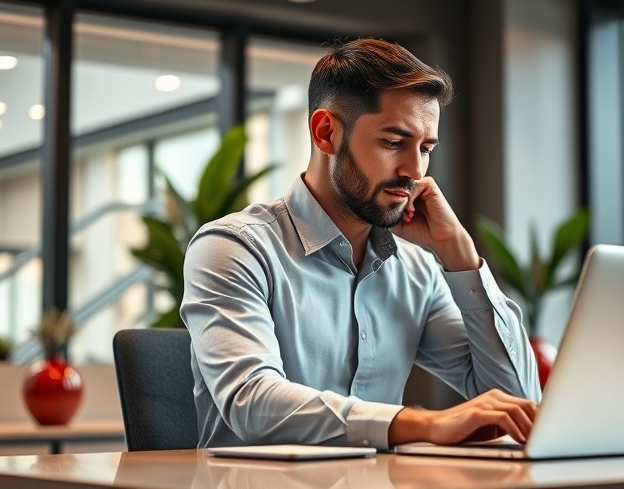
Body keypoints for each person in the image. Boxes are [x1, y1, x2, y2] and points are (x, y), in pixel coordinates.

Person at [181, 37, 540, 450]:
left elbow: (519, 404)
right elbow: (252, 402)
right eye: (393, 143)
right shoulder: (233, 249)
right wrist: (421, 424)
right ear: (325, 132)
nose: (414, 170)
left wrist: (460, 257)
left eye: (425, 149)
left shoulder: (417, 271)